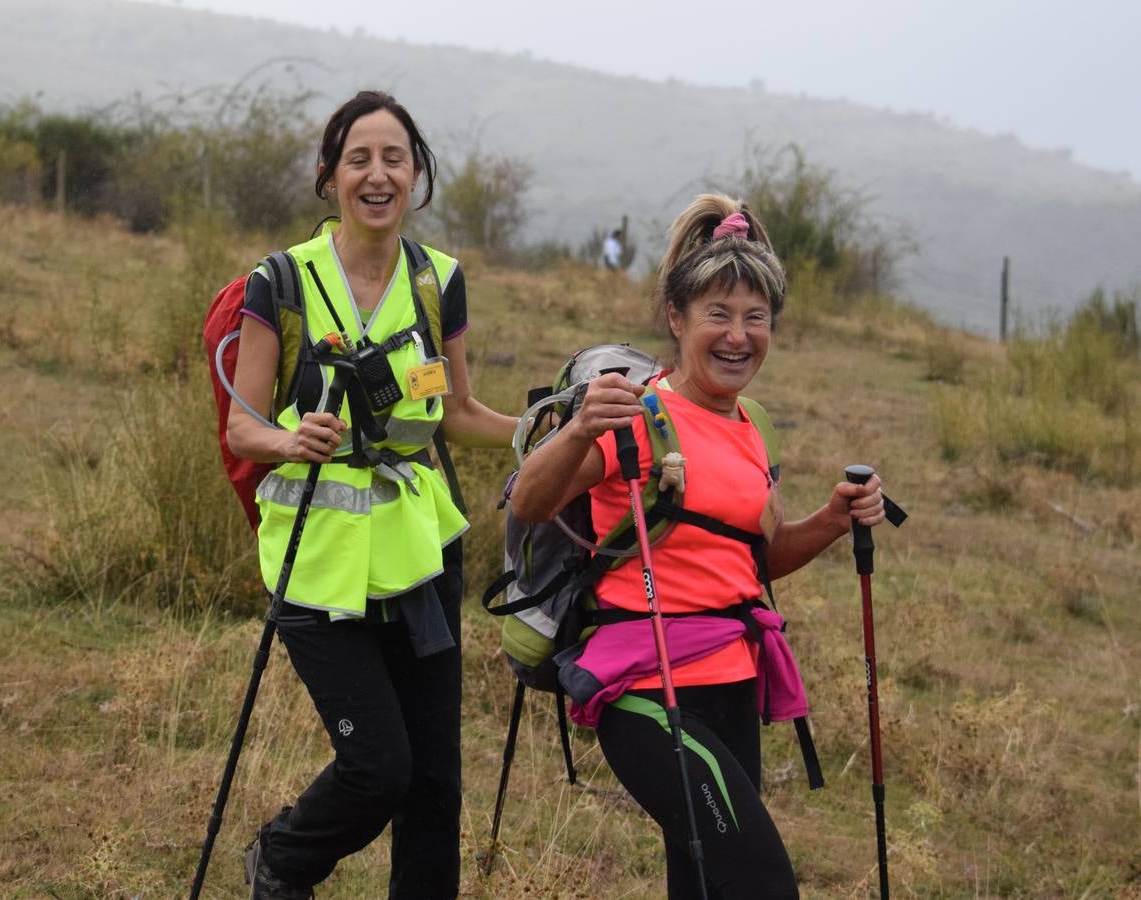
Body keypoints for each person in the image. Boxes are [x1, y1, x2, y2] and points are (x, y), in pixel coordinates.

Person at [510, 194, 887, 899]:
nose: (738, 336)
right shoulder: (638, 417)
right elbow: (530, 502)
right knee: (763, 884)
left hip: (733, 680)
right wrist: (580, 429)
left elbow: (758, 560)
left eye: (755, 318)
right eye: (718, 314)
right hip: (646, 687)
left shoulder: (754, 426)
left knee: (706, 882)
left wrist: (832, 520)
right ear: (677, 320)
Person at [227, 90, 518, 900]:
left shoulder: (438, 281)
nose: (378, 174)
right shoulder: (281, 281)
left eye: (395, 158)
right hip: (315, 562)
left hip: (421, 560)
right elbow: (242, 429)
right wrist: (289, 439)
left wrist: (550, 428)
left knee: (433, 784)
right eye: (360, 158)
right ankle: (283, 861)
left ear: (417, 175)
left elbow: (457, 412)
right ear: (329, 177)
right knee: (379, 768)